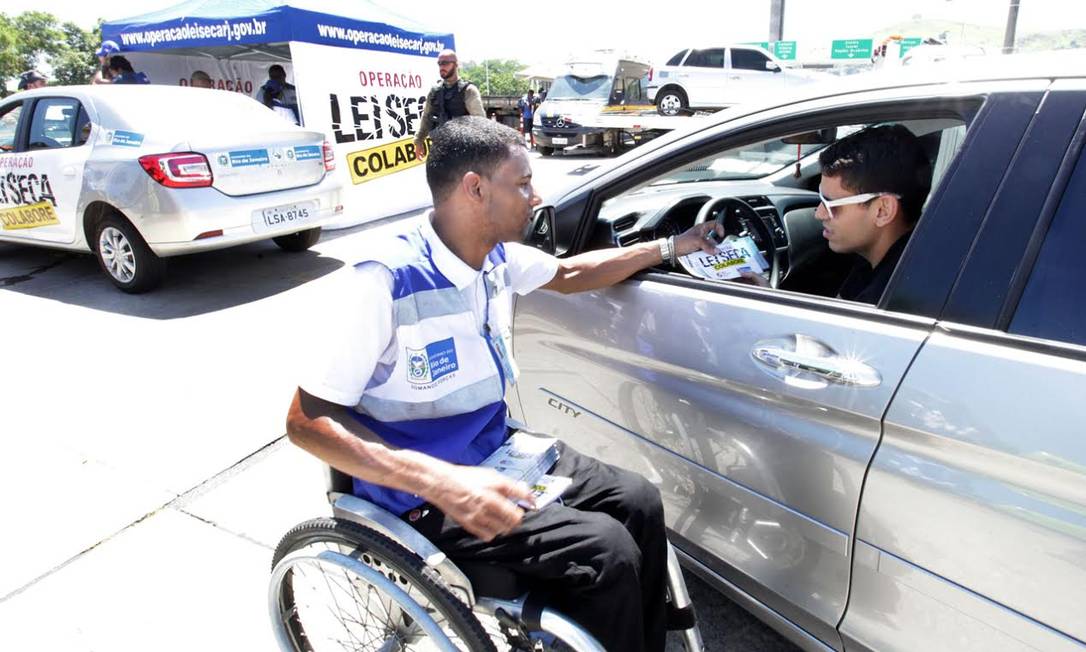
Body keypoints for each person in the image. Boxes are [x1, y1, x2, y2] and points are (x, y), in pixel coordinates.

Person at [286, 116, 722, 652]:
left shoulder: (493, 258)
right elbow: (306, 421)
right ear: (475, 188)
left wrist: (672, 247)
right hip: (424, 493)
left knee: (640, 501)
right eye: (522, 183)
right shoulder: (384, 281)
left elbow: (570, 274)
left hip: (498, 450)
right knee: (604, 551)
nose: (536, 197)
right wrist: (439, 481)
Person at [814, 124, 931, 304]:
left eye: (830, 203)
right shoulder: (876, 257)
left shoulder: (887, 299)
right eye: (821, 198)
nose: (819, 214)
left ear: (883, 211)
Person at [413, 49, 484, 159]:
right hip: (439, 148)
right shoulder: (435, 91)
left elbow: (480, 123)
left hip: (462, 150)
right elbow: (426, 117)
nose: (441, 67)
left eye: (445, 63)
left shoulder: (468, 90)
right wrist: (419, 141)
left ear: (456, 64)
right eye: (439, 63)